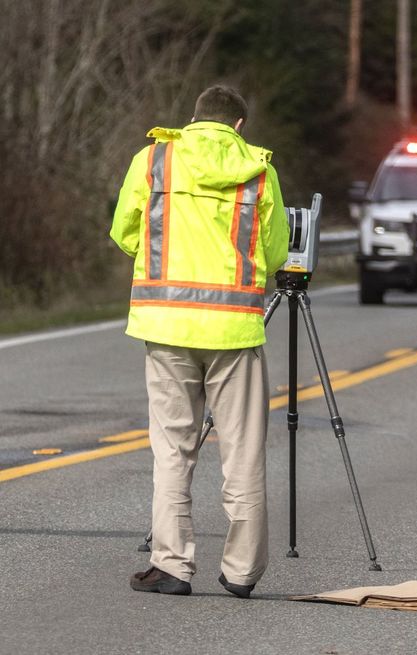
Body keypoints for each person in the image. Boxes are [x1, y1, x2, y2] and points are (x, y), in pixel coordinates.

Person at [110, 85, 290, 597]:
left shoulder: (153, 160)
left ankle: (170, 565)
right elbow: (275, 252)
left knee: (172, 450)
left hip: (165, 326)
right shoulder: (259, 170)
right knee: (244, 453)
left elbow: (125, 231)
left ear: (192, 120)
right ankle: (241, 572)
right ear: (238, 127)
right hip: (234, 330)